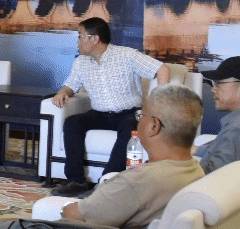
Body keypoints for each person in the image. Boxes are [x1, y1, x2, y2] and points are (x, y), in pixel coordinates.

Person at [50, 84, 204, 229]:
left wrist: (66, 206)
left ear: (154, 126)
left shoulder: (135, 182)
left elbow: (74, 215)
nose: (138, 121)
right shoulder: (196, 170)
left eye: (141, 116)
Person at [50, 17, 170, 197]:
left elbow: (163, 70)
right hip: (99, 114)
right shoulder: (81, 62)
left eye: (80, 36)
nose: (78, 41)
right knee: (72, 123)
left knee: (131, 129)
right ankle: (76, 180)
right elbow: (71, 85)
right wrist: (62, 92)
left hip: (127, 114)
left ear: (95, 39)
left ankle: (106, 182)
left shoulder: (126, 55)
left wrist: (159, 103)